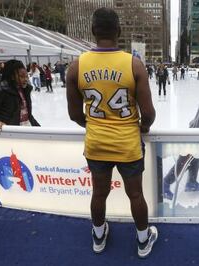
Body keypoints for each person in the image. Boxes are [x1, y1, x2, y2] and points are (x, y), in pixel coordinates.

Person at [66, 8, 157, 258]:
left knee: (99, 193)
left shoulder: (76, 66)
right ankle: (142, 240)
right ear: (118, 31)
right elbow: (148, 113)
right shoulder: (133, 64)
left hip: (96, 143)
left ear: (93, 31)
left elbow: (74, 114)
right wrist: (143, 128)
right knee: (135, 194)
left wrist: (95, 126)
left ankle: (98, 236)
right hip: (128, 144)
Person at [0, 60, 40, 133]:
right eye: (21, 76)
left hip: (27, 126)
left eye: (26, 76)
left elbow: (27, 112)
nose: (26, 79)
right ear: (12, 77)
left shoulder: (26, 89)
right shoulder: (1, 90)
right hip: (12, 130)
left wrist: (37, 127)